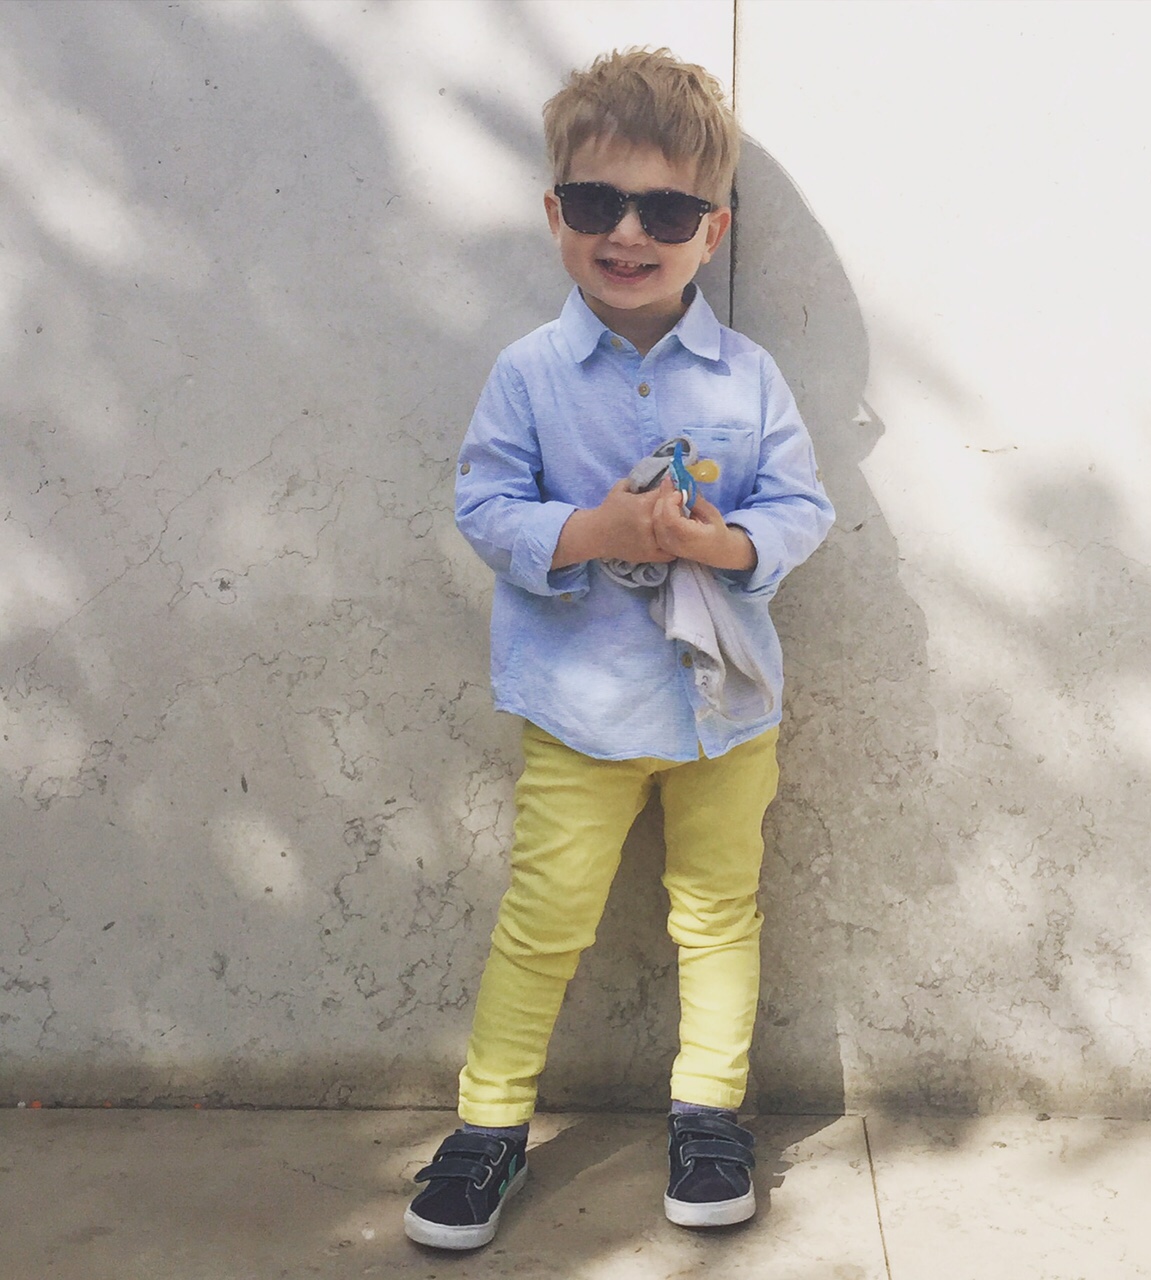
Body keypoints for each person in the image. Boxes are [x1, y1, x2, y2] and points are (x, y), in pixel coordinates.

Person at [404, 47, 834, 1251]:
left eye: (666, 212)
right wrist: (592, 530)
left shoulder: (748, 377)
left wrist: (724, 544)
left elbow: (799, 506)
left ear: (711, 231)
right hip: (578, 708)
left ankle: (707, 1111)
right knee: (544, 915)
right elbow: (484, 505)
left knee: (718, 912)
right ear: (556, 215)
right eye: (597, 203)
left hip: (723, 707)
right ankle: (488, 1123)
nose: (628, 233)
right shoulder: (530, 373)